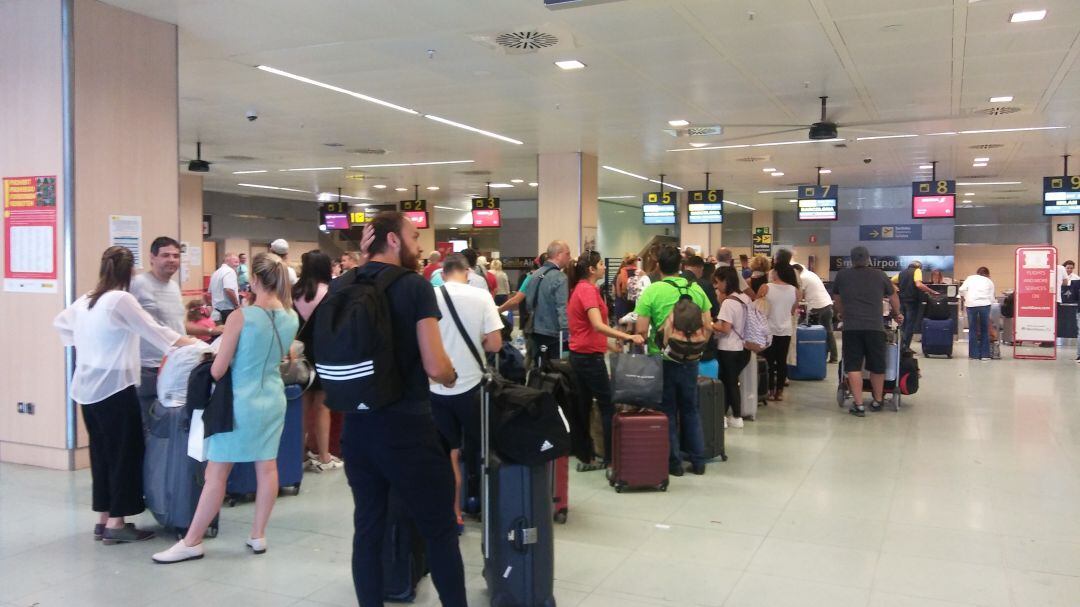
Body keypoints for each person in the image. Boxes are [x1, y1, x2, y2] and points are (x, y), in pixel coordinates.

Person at [329, 212, 467, 606]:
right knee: (439, 530)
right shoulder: (415, 288)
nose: (420, 244)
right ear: (393, 240)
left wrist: (361, 257)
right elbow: (436, 366)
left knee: (368, 529)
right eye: (414, 235)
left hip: (356, 430)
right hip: (406, 429)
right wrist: (452, 375)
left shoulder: (344, 284)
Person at [152, 252, 299, 563]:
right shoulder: (290, 316)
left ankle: (192, 541)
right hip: (272, 399)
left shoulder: (241, 317)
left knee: (216, 472)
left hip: (238, 403)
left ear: (255, 280)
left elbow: (218, 370)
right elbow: (283, 356)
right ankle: (258, 535)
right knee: (267, 467)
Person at [53, 246, 195, 545]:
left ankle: (104, 517)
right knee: (125, 455)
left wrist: (90, 346)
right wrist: (189, 343)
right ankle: (117, 523)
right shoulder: (120, 299)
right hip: (115, 388)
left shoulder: (87, 299)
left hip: (87, 389)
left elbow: (62, 325)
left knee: (102, 454)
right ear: (131, 271)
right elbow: (153, 330)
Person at [431, 253, 503, 533]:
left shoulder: (430, 296)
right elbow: (495, 344)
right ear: (468, 272)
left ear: (443, 271)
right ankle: (481, 504)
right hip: (472, 387)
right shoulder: (480, 296)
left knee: (447, 453)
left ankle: (453, 513)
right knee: (479, 449)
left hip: (437, 386)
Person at [634, 245, 713, 476]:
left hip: (662, 358)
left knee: (667, 410)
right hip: (690, 359)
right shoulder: (695, 289)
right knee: (690, 409)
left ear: (658, 265)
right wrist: (695, 347)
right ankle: (699, 461)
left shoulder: (653, 291)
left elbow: (641, 329)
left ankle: (674, 463)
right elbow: (708, 326)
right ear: (680, 266)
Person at [567, 251, 644, 468]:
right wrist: (628, 336)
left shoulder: (579, 289)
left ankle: (586, 457)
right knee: (607, 406)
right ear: (592, 269)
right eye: (601, 264)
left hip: (580, 355)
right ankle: (611, 459)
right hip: (589, 360)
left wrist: (610, 346)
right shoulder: (588, 291)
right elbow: (597, 326)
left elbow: (586, 331)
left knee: (583, 407)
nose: (603, 267)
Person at [834, 246, 902, 417]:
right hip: (875, 327)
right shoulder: (879, 274)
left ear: (851, 259)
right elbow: (893, 296)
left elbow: (837, 299)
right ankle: (878, 401)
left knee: (853, 366)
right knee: (878, 366)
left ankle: (858, 405)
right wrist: (897, 313)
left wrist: (841, 313)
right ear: (868, 259)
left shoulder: (842, 275)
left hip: (851, 327)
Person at [293, 250, 340, 472]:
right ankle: (324, 455)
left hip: (300, 355)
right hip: (325, 354)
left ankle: (301, 454)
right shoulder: (331, 292)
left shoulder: (294, 292)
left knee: (302, 407)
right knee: (323, 407)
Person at [129, 236, 187, 417]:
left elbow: (174, 324)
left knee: (167, 425)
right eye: (165, 255)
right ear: (152, 258)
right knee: (147, 424)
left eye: (176, 256)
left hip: (173, 365)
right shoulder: (137, 284)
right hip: (148, 368)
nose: (171, 260)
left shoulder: (174, 287)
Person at [711, 266, 751, 428]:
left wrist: (710, 324)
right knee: (732, 382)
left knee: (727, 383)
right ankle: (734, 416)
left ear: (725, 281)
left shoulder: (728, 302)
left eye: (718, 282)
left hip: (728, 348)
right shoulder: (745, 298)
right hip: (744, 348)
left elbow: (725, 328)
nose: (717, 286)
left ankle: (731, 416)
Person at [757, 255, 799, 401]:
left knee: (769, 361)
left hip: (768, 330)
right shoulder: (795, 290)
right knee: (782, 361)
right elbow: (793, 311)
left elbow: (757, 307)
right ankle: (779, 392)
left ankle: (768, 389)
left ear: (776, 272)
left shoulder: (766, 287)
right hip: (786, 330)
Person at [523, 240, 571, 364]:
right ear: (559, 255)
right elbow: (562, 306)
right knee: (553, 368)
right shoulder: (560, 277)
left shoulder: (535, 274)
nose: (569, 257)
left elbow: (529, 302)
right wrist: (566, 330)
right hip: (552, 332)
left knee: (538, 363)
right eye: (567, 254)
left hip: (535, 329)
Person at [794, 263, 837, 363]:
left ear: (796, 271)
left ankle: (813, 355)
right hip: (827, 304)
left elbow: (800, 296)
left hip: (816, 307)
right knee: (828, 332)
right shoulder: (811, 274)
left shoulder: (802, 277)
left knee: (806, 330)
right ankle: (833, 357)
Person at [895, 261, 937, 352]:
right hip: (912, 301)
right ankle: (905, 347)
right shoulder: (917, 271)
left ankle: (901, 346)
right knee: (910, 325)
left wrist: (897, 289)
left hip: (902, 300)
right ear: (918, 267)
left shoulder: (902, 273)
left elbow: (891, 281)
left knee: (903, 324)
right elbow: (918, 284)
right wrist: (931, 291)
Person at [958, 266, 996, 361]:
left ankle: (973, 355)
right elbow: (992, 297)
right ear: (987, 274)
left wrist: (966, 297)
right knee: (984, 329)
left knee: (973, 329)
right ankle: (984, 355)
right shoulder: (989, 281)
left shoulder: (970, 278)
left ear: (977, 272)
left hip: (971, 305)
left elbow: (961, 290)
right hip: (985, 305)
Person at [209, 252, 240, 323]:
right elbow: (229, 289)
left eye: (238, 262)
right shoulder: (230, 271)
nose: (237, 264)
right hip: (227, 310)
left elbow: (209, 293)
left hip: (216, 310)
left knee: (219, 332)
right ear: (227, 261)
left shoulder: (215, 273)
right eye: (235, 262)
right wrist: (237, 305)